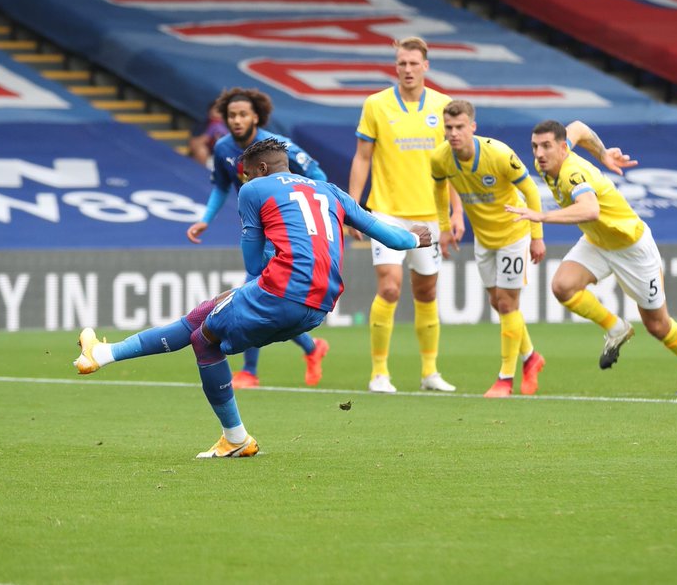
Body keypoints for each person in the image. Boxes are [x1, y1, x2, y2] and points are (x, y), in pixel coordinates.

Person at [75, 139, 434, 458]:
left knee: (204, 341)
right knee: (205, 312)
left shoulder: (255, 189)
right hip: (319, 305)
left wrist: (271, 252)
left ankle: (235, 438)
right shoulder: (332, 191)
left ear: (260, 170)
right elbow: (393, 239)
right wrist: (416, 238)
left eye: (246, 176)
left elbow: (251, 262)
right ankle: (103, 355)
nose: (244, 183)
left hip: (281, 291)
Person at [505, 120, 677, 394]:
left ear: (561, 148)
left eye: (546, 146)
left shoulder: (571, 173)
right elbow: (578, 128)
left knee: (657, 324)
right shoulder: (550, 160)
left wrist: (542, 216)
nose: (539, 153)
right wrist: (602, 153)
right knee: (563, 286)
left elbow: (590, 209)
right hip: (598, 241)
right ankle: (616, 328)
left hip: (632, 247)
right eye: (535, 146)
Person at [185, 87, 329, 389]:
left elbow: (319, 177)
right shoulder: (224, 149)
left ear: (256, 117)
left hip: (284, 233)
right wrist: (204, 220)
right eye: (231, 115)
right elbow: (221, 187)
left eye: (242, 115)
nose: (236, 120)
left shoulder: (279, 147)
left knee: (254, 295)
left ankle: (250, 371)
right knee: (266, 298)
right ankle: (312, 348)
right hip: (256, 231)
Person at [350, 36, 465, 394]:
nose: (408, 69)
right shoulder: (376, 105)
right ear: (395, 66)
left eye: (414, 63)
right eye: (402, 63)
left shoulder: (444, 106)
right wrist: (353, 208)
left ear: (426, 66)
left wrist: (457, 210)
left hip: (430, 215)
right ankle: (379, 373)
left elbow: (454, 163)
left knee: (427, 292)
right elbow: (362, 157)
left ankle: (430, 372)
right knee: (388, 286)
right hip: (386, 213)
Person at [431, 100, 547, 397]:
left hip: (514, 234)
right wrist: (444, 227)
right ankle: (531, 357)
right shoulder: (441, 158)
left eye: (459, 127)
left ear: (473, 127)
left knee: (508, 304)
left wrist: (537, 235)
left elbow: (530, 191)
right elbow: (438, 188)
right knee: (498, 303)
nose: (454, 133)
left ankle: (505, 379)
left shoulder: (499, 154)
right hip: (485, 238)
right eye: (449, 127)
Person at [187, 100, 227, 167]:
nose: (220, 114)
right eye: (217, 110)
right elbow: (192, 144)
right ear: (210, 112)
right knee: (202, 151)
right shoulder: (202, 124)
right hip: (206, 158)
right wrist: (207, 135)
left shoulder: (228, 127)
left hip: (220, 160)